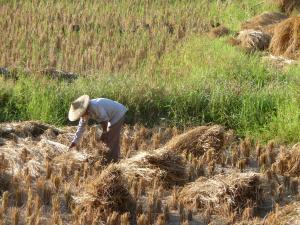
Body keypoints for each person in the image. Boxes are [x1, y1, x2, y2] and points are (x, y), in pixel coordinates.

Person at [68, 95, 128, 162]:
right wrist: (74, 142)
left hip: (117, 114)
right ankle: (109, 158)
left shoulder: (94, 106)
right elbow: (81, 127)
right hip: (110, 116)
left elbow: (104, 119)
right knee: (108, 139)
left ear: (84, 109)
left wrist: (105, 132)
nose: (81, 116)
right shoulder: (85, 113)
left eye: (81, 114)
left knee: (111, 138)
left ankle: (113, 161)